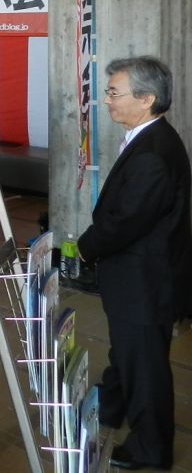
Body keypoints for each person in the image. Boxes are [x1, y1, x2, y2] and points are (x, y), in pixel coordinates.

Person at [76, 56, 190, 471]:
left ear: (146, 99)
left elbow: (125, 222)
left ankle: (150, 448)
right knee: (129, 351)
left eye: (113, 93)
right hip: (141, 274)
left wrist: (83, 249)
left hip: (144, 280)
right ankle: (110, 406)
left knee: (145, 366)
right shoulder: (149, 138)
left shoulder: (153, 154)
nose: (106, 100)